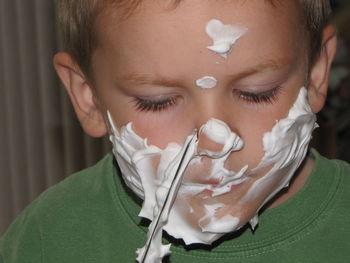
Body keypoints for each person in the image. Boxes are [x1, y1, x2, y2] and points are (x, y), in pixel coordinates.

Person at [1, 0, 349, 262]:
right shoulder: (49, 237)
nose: (215, 141)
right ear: (88, 97)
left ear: (316, 73)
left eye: (257, 92)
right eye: (158, 101)